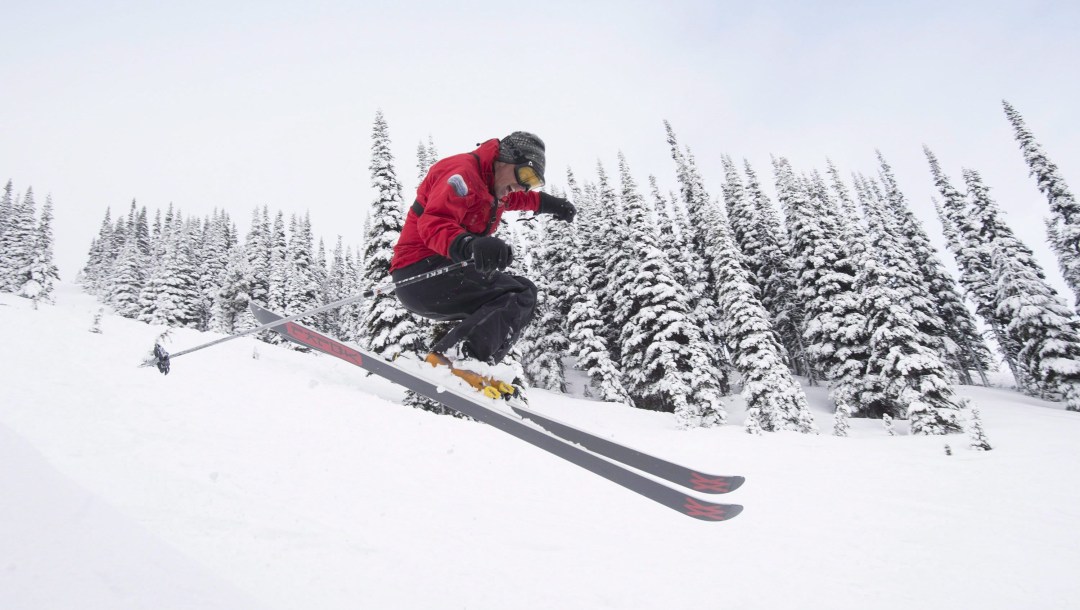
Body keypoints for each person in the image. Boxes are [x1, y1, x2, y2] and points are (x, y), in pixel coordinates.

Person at [389, 131, 576, 396]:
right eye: (526, 176)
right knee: (519, 292)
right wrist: (469, 245)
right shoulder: (461, 175)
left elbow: (519, 199)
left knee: (514, 296)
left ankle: (467, 363)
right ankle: (459, 358)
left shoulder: (493, 186)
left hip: (440, 274)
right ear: (506, 158)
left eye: (532, 182)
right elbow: (433, 223)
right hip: (422, 273)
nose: (524, 186)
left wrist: (552, 204)